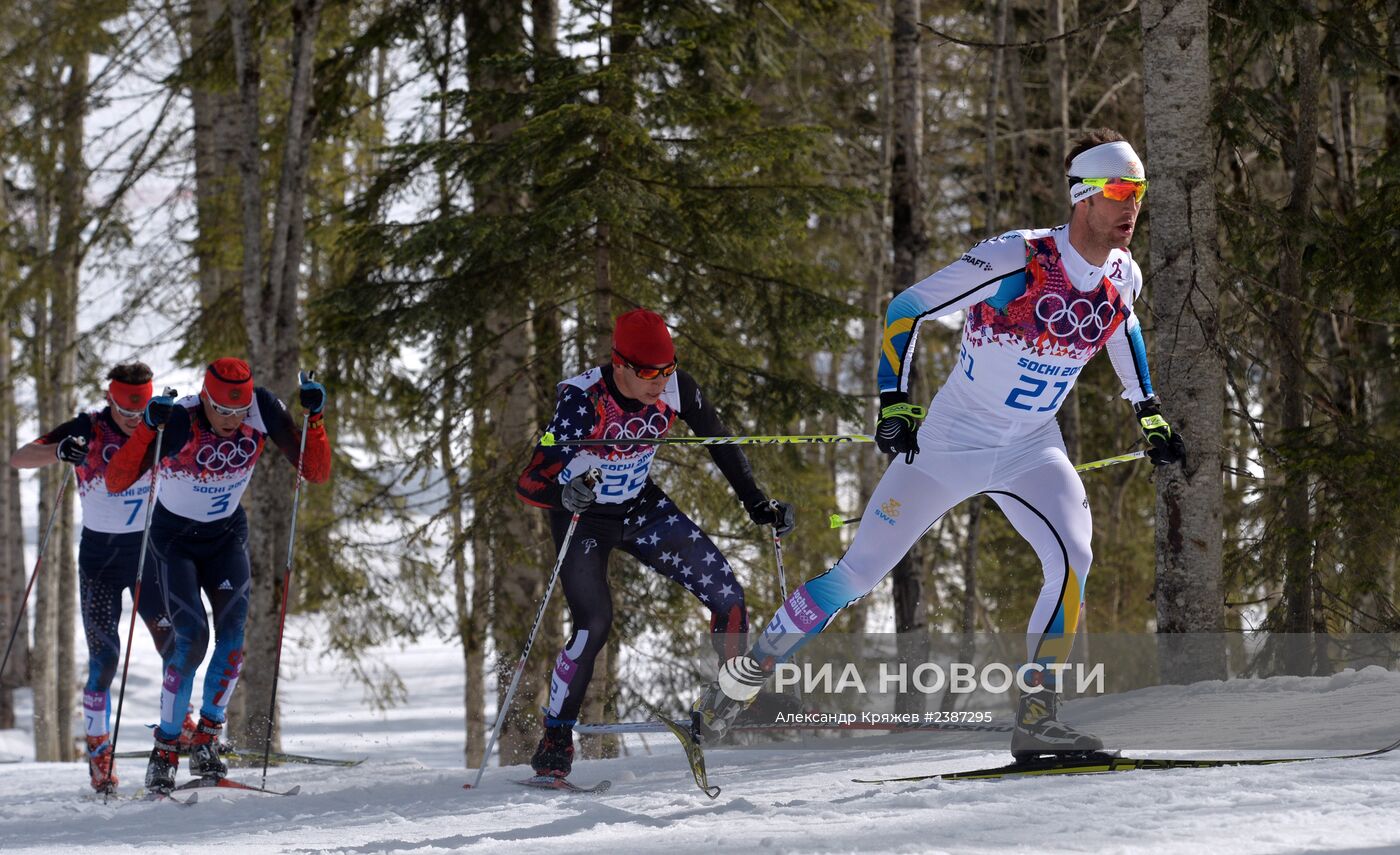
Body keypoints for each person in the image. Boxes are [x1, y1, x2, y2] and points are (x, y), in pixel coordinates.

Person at [692, 129, 1186, 760]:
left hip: (1032, 447)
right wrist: (894, 399)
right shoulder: (1019, 258)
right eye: (1119, 190)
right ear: (1083, 197)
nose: (1132, 205)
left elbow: (1124, 327)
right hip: (952, 442)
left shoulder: (1124, 275)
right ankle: (728, 695)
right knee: (856, 575)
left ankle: (1038, 718)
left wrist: (1149, 413)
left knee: (1073, 560)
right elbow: (908, 308)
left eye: (1139, 191)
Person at [516, 308, 795, 779]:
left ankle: (725, 704)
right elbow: (528, 481)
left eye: (666, 369)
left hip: (640, 507)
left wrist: (757, 504)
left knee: (728, 595)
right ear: (618, 362)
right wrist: (563, 492)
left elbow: (721, 442)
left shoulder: (675, 387)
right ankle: (556, 740)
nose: (658, 382)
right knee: (594, 623)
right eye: (647, 372)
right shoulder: (582, 400)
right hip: (584, 518)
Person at [104, 358, 331, 794]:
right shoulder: (181, 420)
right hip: (173, 541)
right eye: (222, 410)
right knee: (191, 640)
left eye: (239, 410)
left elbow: (315, 471)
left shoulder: (261, 408)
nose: (232, 420)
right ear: (205, 398)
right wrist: (148, 431)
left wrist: (314, 419)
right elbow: (117, 481)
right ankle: (166, 749)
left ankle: (208, 737)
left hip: (226, 536)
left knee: (232, 639)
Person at [7, 362, 177, 793]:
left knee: (175, 645)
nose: (132, 419)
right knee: (104, 659)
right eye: (124, 410)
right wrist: (60, 450)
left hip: (148, 557)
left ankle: (181, 729)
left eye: (139, 412)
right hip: (100, 560)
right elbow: (19, 457)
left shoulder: (161, 422)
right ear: (110, 399)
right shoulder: (87, 426)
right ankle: (99, 750)